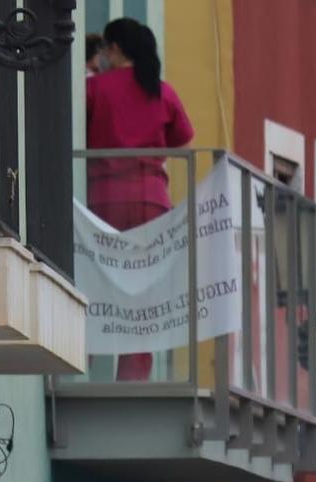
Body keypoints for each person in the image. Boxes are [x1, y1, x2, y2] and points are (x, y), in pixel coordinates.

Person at [86, 18, 194, 381]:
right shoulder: (162, 92)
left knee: (97, 282)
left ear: (115, 48)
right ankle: (133, 376)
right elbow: (182, 139)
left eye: (104, 48)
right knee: (143, 292)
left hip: (104, 197)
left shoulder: (95, 89)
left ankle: (83, 362)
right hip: (152, 201)